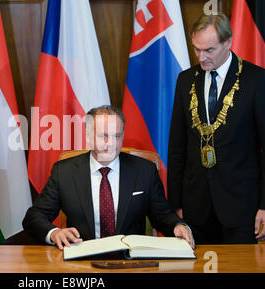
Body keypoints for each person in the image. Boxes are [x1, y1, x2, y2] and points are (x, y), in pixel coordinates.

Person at [168, 13, 265, 244]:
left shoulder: (257, 80)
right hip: (195, 206)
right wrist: (176, 205)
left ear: (228, 42)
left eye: (209, 50)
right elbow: (177, 147)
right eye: (196, 49)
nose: (201, 57)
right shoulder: (185, 80)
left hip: (242, 207)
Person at [23, 105, 194, 250]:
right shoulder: (64, 172)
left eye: (117, 136)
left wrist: (179, 226)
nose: (111, 143)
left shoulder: (144, 171)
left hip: (131, 261)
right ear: (88, 137)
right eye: (104, 136)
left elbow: (163, 216)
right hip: (82, 260)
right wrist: (54, 233)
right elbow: (34, 217)